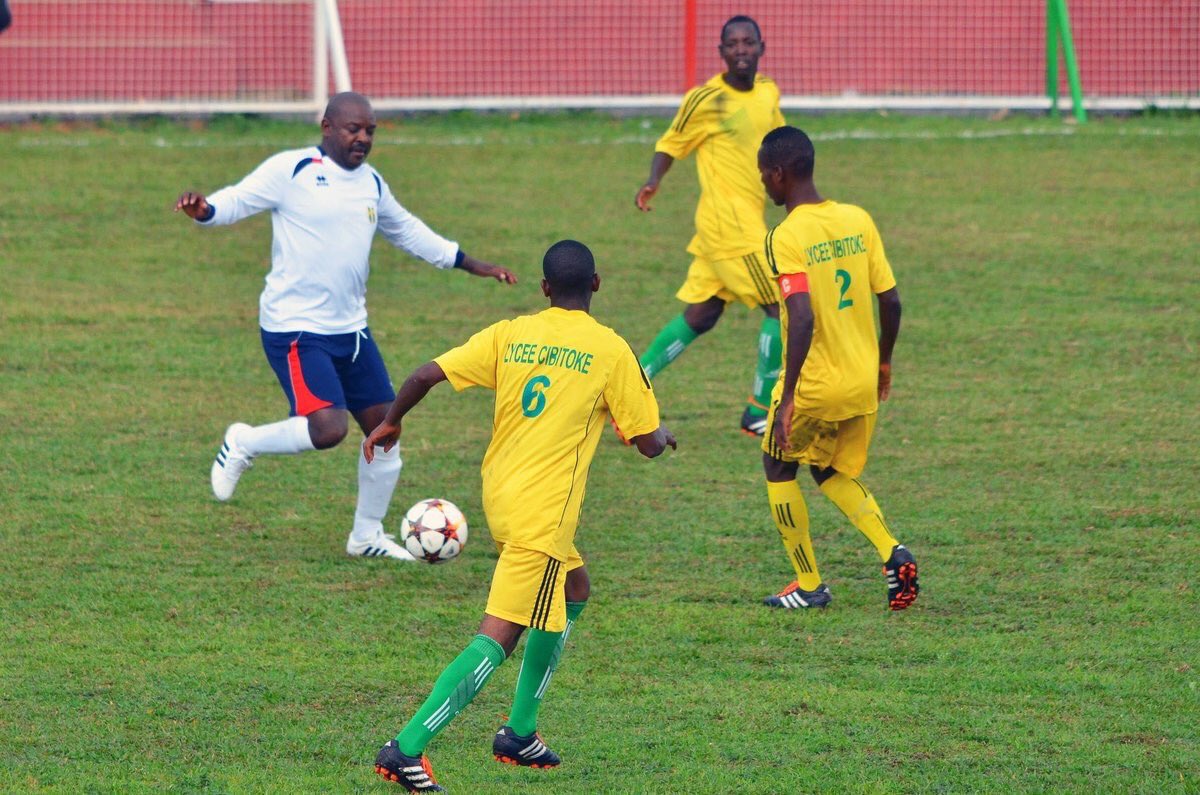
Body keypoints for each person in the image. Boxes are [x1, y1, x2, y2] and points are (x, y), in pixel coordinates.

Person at [364, 240, 676, 792]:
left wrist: (392, 420)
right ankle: (405, 748)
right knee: (501, 634)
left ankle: (520, 733)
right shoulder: (610, 349)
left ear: (545, 288)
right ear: (596, 285)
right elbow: (648, 443)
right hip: (542, 516)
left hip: (502, 499)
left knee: (574, 587)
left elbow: (426, 374)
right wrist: (661, 433)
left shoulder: (511, 334)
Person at [175, 91, 516, 562]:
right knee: (328, 429)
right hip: (295, 328)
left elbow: (408, 231)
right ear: (327, 127)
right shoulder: (292, 170)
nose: (363, 138)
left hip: (351, 332)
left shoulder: (371, 183)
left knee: (386, 429)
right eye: (354, 129)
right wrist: (205, 210)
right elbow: (236, 200)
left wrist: (472, 264)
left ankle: (366, 535)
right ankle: (243, 441)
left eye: (370, 131)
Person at [755, 126, 919, 611]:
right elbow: (891, 300)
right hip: (861, 380)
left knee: (778, 464)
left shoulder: (785, 236)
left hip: (816, 385)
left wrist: (788, 398)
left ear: (778, 174)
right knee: (827, 469)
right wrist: (884, 361)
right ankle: (893, 552)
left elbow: (801, 316)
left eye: (764, 175)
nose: (763, 184)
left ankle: (809, 586)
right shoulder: (857, 219)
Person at [629, 15, 786, 438]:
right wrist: (654, 180)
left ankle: (628, 387)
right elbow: (670, 143)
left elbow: (779, 145)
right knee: (782, 303)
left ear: (761, 47)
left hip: (747, 220)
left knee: (702, 314)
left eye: (748, 42)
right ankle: (758, 410)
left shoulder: (768, 91)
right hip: (727, 228)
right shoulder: (706, 100)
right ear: (720, 53)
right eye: (732, 44)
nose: (741, 50)